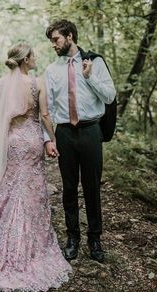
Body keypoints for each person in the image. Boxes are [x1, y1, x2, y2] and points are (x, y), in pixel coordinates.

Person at [0, 43, 72, 292]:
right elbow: (44, 115)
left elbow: (1, 118)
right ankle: (28, 246)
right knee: (31, 190)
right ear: (25, 60)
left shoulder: (1, 85)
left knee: (12, 185)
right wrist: (52, 139)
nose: (36, 58)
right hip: (32, 140)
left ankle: (3, 239)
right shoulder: (37, 82)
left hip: (13, 141)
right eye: (33, 55)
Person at [44, 20, 116, 263]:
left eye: (56, 39)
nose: (53, 44)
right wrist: (48, 139)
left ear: (70, 36)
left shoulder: (95, 62)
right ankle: (72, 237)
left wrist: (89, 77)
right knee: (68, 187)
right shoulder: (51, 70)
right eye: (51, 41)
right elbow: (49, 107)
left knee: (92, 186)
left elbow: (110, 96)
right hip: (64, 132)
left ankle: (95, 239)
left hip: (90, 131)